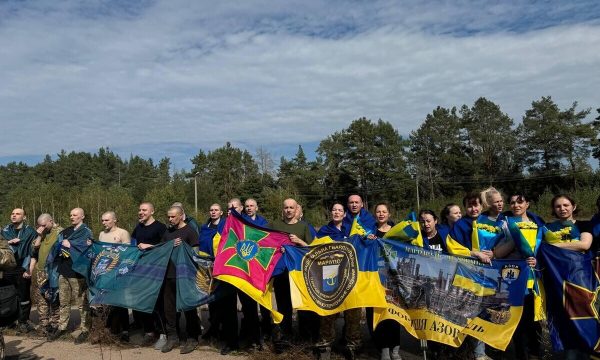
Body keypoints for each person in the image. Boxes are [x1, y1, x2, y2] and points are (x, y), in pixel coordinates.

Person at [445, 194, 496, 360]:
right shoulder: (460, 225)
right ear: (465, 207)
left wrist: (495, 253)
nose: (473, 209)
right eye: (469, 206)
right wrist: (475, 253)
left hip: (490, 274)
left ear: (482, 206)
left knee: (489, 312)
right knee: (472, 313)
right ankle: (477, 352)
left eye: (476, 205)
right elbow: (453, 247)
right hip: (468, 274)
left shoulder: (490, 222)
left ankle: (489, 348)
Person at [542, 194, 593, 360]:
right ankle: (567, 353)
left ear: (574, 206)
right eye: (558, 206)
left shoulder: (585, 224)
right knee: (562, 318)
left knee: (583, 315)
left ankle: (587, 352)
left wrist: (554, 246)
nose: (562, 209)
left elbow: (584, 244)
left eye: (566, 205)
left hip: (581, 280)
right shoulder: (548, 228)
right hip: (556, 280)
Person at [316, 202, 367, 360]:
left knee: (353, 312)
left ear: (345, 214)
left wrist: (370, 238)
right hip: (330, 274)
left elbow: (364, 243)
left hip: (351, 273)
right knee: (329, 311)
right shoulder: (324, 230)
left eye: (340, 210)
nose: (337, 212)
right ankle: (325, 345)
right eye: (334, 210)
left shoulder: (354, 227)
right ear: (331, 213)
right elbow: (315, 250)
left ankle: (353, 345)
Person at [269, 198, 315, 352]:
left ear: (297, 210)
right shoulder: (275, 225)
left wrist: (300, 242)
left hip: (299, 273)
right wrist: (279, 249)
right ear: (283, 209)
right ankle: (284, 338)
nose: (288, 210)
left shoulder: (304, 227)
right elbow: (266, 244)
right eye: (286, 207)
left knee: (302, 306)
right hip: (281, 273)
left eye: (291, 207)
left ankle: (304, 339)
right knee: (283, 306)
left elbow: (312, 249)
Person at [504, 193, 543, 360]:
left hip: (534, 281)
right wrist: (514, 242)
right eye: (512, 203)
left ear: (528, 204)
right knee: (517, 322)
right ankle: (521, 355)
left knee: (534, 321)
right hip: (512, 280)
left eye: (520, 202)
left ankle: (536, 353)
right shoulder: (505, 225)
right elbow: (498, 251)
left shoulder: (539, 225)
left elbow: (546, 251)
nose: (516, 205)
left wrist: (537, 259)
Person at [158, 206, 202, 354]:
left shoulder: (190, 231)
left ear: (181, 216)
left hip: (184, 276)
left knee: (188, 307)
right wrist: (168, 245)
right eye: (168, 217)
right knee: (169, 308)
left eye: (173, 217)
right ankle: (173, 337)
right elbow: (161, 249)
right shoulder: (167, 232)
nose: (169, 219)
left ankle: (193, 337)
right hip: (168, 275)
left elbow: (195, 255)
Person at [48, 208, 93, 343]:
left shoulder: (86, 232)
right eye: (71, 215)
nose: (72, 217)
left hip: (77, 273)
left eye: (75, 215)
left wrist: (71, 244)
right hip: (64, 271)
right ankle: (62, 327)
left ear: (82, 217)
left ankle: (85, 329)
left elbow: (88, 249)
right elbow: (57, 246)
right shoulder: (65, 231)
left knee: (81, 303)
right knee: (63, 301)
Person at [131, 202, 167, 348]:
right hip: (141, 271)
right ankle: (149, 332)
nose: (141, 212)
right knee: (143, 302)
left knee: (158, 303)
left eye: (144, 210)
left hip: (156, 271)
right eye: (139, 210)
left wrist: (149, 246)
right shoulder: (138, 228)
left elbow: (166, 247)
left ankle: (164, 334)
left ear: (152, 211)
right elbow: (132, 245)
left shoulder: (160, 227)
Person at [1, 208, 39, 333]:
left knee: (24, 295)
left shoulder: (30, 231)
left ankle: (23, 321)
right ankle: (9, 320)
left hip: (23, 266)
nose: (14, 215)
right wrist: (8, 242)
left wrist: (30, 269)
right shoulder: (5, 230)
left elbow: (33, 251)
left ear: (24, 217)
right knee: (8, 294)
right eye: (12, 213)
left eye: (17, 214)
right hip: (7, 267)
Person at [98, 211, 131, 342]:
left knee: (121, 302)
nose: (104, 223)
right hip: (106, 273)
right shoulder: (101, 234)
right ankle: (113, 329)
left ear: (114, 220)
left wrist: (119, 245)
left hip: (119, 272)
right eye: (102, 220)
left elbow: (129, 253)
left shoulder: (123, 233)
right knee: (108, 302)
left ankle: (125, 330)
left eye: (106, 220)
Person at [29, 213, 61, 336]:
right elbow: (34, 248)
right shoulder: (41, 234)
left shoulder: (60, 232)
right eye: (39, 225)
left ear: (51, 221)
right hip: (40, 270)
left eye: (43, 225)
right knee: (41, 299)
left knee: (54, 297)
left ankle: (55, 324)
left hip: (53, 270)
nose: (41, 227)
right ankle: (44, 325)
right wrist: (39, 235)